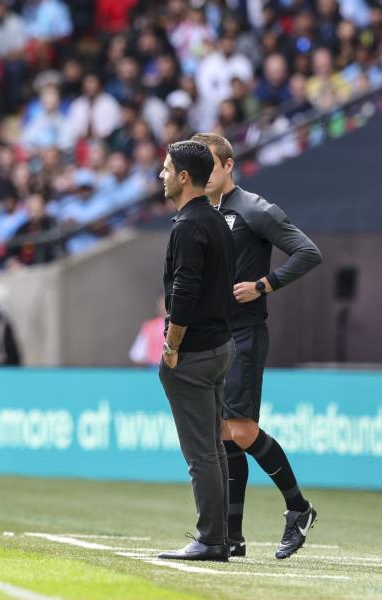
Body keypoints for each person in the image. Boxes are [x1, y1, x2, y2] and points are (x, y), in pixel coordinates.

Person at [193, 133, 323, 560]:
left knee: (242, 430)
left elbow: (307, 252)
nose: (202, 173)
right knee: (223, 435)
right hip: (215, 335)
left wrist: (266, 284)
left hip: (245, 332)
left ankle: (299, 508)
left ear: (229, 165)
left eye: (209, 164)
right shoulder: (203, 214)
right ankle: (232, 535)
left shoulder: (254, 209)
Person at [156, 140, 236, 562]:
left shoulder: (188, 226)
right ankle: (219, 536)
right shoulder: (217, 220)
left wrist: (172, 346)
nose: (162, 175)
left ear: (185, 177)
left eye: (167, 169)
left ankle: (211, 538)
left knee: (200, 452)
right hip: (220, 346)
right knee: (214, 447)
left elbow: (185, 291)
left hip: (194, 352)